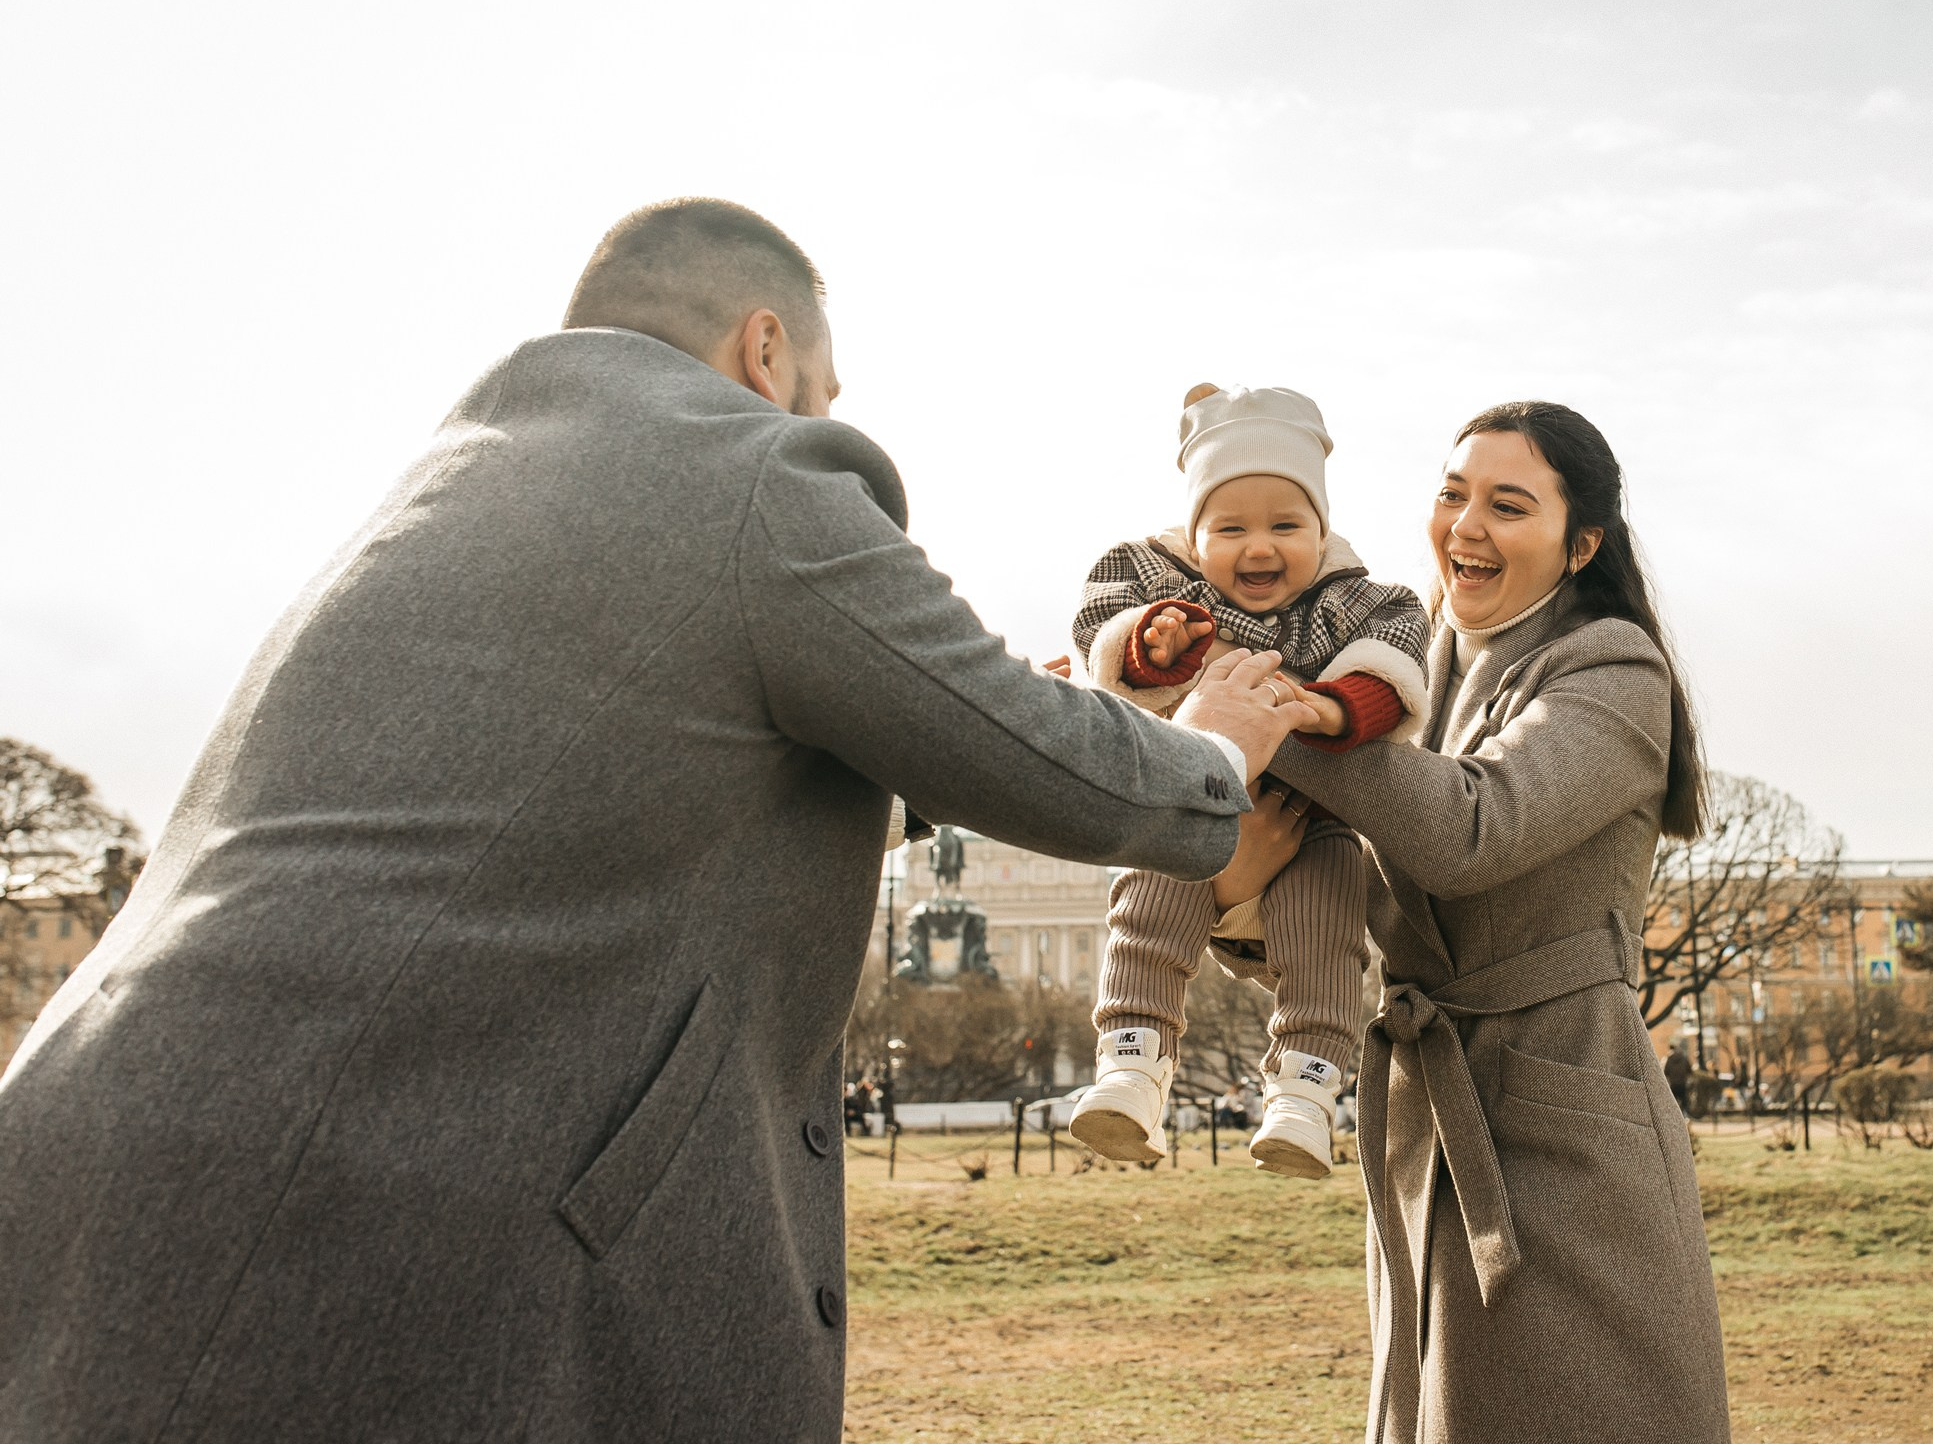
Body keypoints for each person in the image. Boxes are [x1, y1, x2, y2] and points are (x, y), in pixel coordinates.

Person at [0, 198, 1318, 1443]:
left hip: (91, 1170)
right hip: (381, 1211)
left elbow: (616, 785)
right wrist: (1212, 744)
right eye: (823, 378)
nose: (824, 407)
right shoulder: (757, 468)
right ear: (763, 347)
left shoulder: (454, 490)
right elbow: (1071, 775)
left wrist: (923, 757)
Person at [1267, 400, 1733, 1443]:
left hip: (1564, 1122)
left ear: (1583, 542)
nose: (1465, 525)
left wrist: (1269, 714)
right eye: (1452, 493)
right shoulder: (1398, 671)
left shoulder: (1615, 668)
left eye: (1507, 504)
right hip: (1428, 1113)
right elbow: (1342, 883)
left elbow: (1468, 831)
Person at [1067, 383, 1428, 1180]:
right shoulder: (1159, 579)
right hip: (1192, 795)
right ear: (1195, 536)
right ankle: (1131, 1059)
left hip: (1313, 817)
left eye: (1285, 525)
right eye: (1230, 527)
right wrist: (1150, 647)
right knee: (1152, 898)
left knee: (1328, 922)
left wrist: (1332, 710)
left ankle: (1305, 1085)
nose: (1258, 547)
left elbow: (1397, 659)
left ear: (1322, 529)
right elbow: (1104, 630)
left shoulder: (1354, 600)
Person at [1665, 1043, 1694, 1116]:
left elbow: (1666, 1072)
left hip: (1673, 1084)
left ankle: (1672, 1117)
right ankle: (1685, 1118)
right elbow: (1690, 1071)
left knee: (1672, 1103)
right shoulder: (1684, 1058)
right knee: (1684, 1103)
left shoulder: (1669, 1058)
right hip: (1682, 1084)